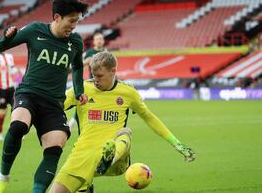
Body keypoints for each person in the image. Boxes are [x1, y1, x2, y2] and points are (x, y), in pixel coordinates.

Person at [49, 52, 196, 193]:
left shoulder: (127, 92)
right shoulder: (81, 89)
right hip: (82, 154)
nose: (96, 80)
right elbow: (55, 105)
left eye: (100, 76)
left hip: (117, 159)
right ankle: (86, 184)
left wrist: (176, 142)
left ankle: (108, 157)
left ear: (113, 71)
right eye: (94, 76)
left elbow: (149, 117)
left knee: (125, 132)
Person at [0, 0, 88, 193]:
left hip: (53, 104)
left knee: (55, 147)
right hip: (29, 94)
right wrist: (6, 35)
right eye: (71, 21)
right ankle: (3, 179)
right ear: (57, 17)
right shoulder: (35, 30)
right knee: (18, 126)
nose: (74, 26)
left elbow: (78, 67)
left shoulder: (76, 42)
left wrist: (79, 91)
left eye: (77, 21)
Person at [68, 32, 108, 129]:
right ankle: (74, 120)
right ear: (94, 41)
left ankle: (100, 123)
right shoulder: (89, 53)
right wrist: (87, 62)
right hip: (92, 84)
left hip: (104, 84)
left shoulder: (106, 53)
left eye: (101, 39)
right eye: (97, 39)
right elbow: (78, 65)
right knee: (83, 102)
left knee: (103, 104)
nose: (99, 41)